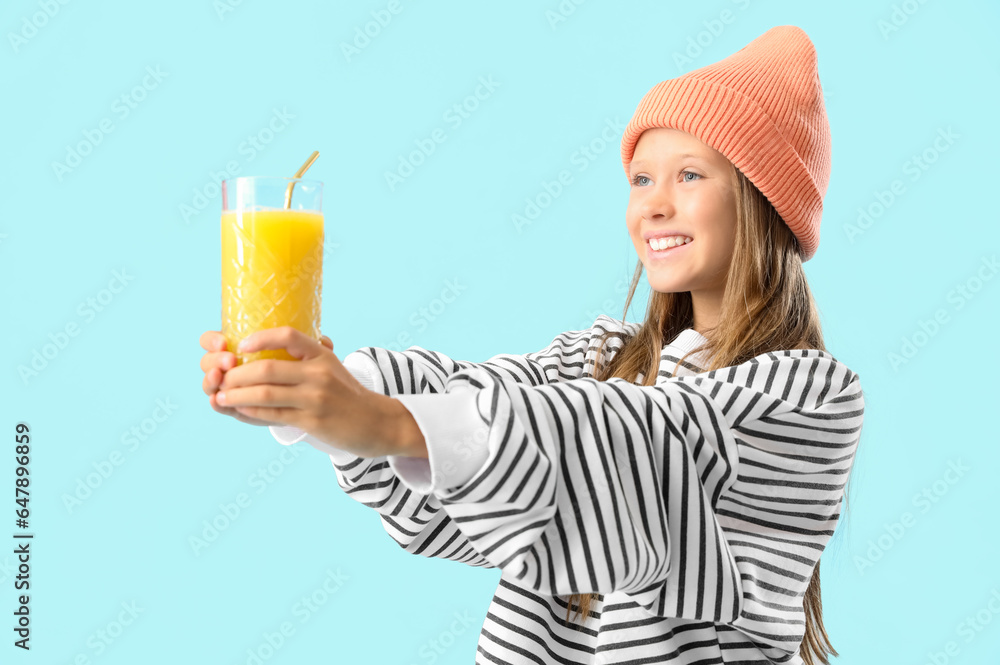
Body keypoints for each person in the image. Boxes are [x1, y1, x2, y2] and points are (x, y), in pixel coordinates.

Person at [199, 24, 865, 665]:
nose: (653, 205)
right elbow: (479, 407)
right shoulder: (604, 360)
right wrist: (324, 390)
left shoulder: (809, 399)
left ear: (763, 198)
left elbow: (641, 446)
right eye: (640, 179)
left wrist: (386, 421)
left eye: (689, 175)